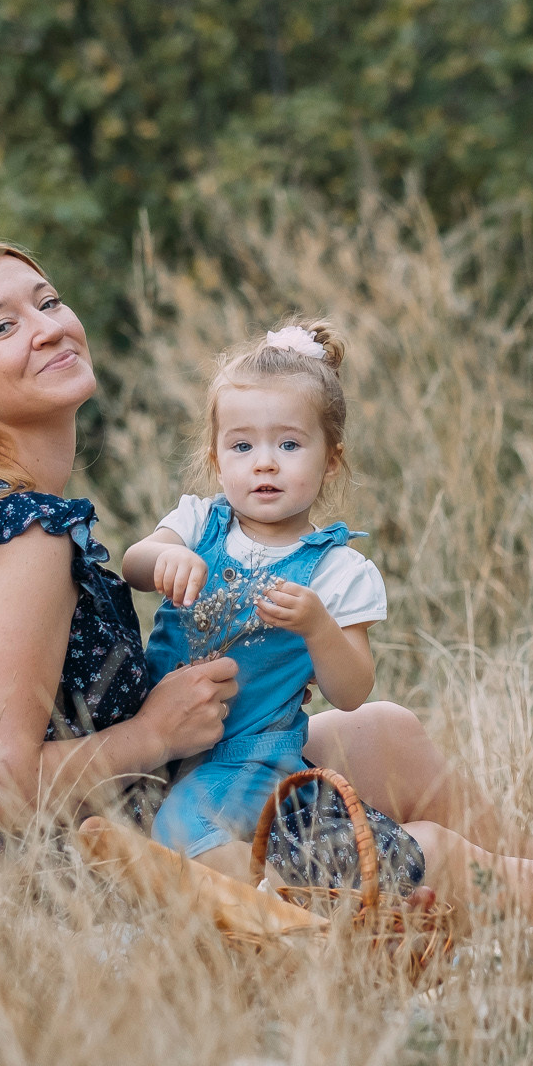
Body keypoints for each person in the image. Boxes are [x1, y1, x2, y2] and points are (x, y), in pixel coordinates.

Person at [0, 237, 533, 920]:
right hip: (83, 869)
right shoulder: (20, 534)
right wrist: (151, 736)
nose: (50, 325)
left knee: (382, 730)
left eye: (49, 301)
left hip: (125, 806)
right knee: (434, 849)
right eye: (3, 326)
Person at [122, 318, 388, 882]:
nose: (264, 462)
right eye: (242, 446)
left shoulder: (339, 572)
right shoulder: (197, 522)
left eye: (289, 444)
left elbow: (352, 692)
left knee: (181, 829)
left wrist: (319, 628)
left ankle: (273, 918)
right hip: (157, 728)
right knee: (127, 824)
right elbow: (133, 565)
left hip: (248, 754)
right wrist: (164, 557)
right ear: (218, 460)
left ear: (331, 460)